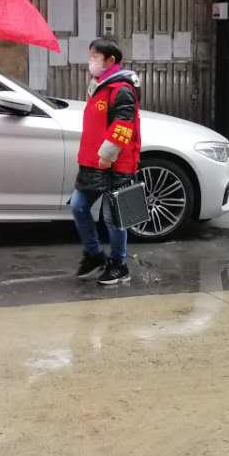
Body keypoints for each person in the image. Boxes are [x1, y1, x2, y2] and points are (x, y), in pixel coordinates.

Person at [72, 37, 142, 287]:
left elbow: (124, 125)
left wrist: (107, 154)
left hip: (116, 163)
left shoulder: (121, 88)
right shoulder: (99, 85)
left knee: (116, 216)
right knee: (79, 206)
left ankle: (119, 264)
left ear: (110, 60)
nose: (91, 61)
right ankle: (94, 255)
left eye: (94, 57)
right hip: (93, 161)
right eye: (90, 56)